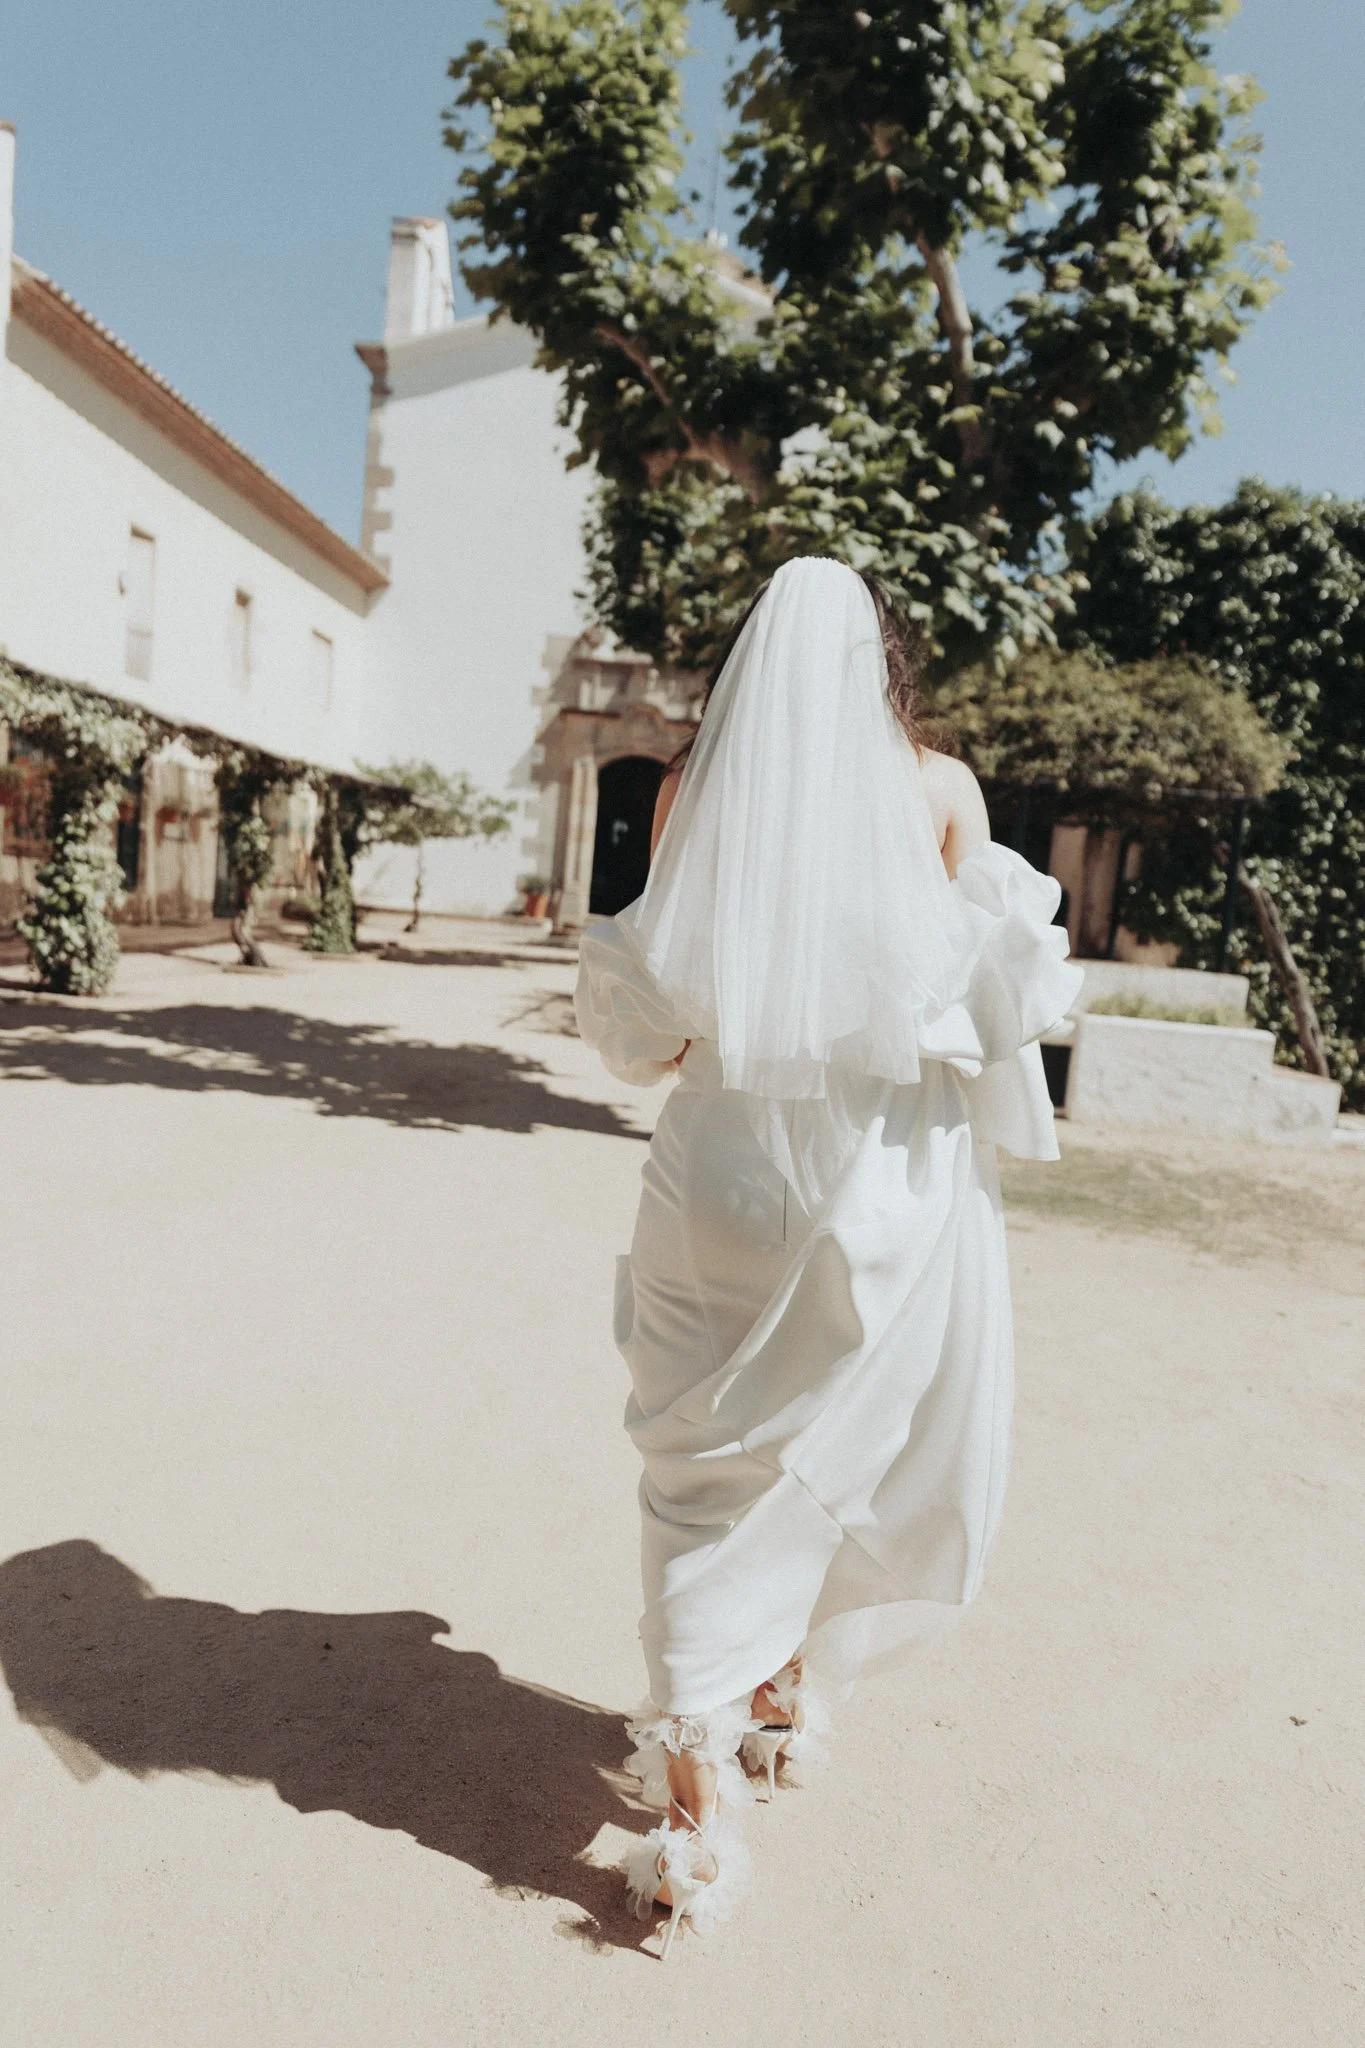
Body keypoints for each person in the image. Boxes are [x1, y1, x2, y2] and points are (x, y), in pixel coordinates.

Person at [574, 557, 1082, 1954]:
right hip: (872, 1182)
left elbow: (647, 1024)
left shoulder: (689, 791)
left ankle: (690, 1822)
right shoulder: (940, 793)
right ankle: (787, 1699)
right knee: (840, 1444)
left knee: (694, 1478)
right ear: (880, 662)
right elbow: (1007, 999)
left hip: (719, 1168)